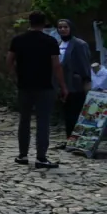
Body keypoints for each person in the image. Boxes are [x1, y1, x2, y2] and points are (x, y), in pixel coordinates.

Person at [8, 11, 67, 169]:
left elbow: (9, 60)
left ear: (30, 22)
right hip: (45, 86)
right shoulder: (50, 41)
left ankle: (22, 155)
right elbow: (56, 66)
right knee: (43, 121)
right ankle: (41, 157)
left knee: (24, 120)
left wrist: (15, 77)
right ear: (44, 23)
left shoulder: (18, 40)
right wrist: (63, 86)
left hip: (25, 86)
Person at [58, 19, 93, 136]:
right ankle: (69, 137)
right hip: (62, 83)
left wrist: (86, 79)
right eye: (60, 27)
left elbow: (84, 63)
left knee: (75, 111)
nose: (63, 29)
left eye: (65, 27)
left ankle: (76, 138)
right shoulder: (58, 44)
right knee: (67, 112)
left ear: (70, 28)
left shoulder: (79, 44)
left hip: (75, 84)